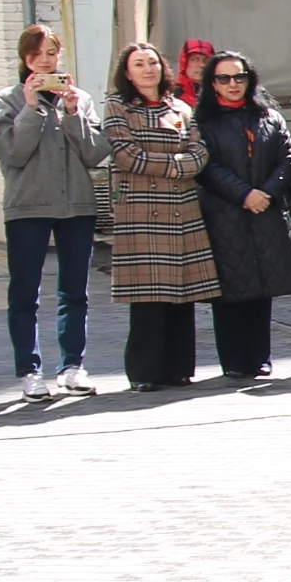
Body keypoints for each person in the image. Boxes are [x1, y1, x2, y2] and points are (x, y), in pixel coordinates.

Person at [0, 25, 109, 396]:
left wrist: (72, 114)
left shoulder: (78, 98)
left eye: (51, 54)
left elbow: (95, 152)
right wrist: (32, 108)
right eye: (37, 55)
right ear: (25, 59)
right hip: (27, 206)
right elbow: (13, 152)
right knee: (24, 291)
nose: (45, 61)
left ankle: (72, 365)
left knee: (75, 291)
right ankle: (28, 370)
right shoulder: (9, 99)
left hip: (76, 206)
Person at [101, 44, 213, 387]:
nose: (147, 69)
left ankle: (178, 368)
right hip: (140, 210)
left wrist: (174, 166)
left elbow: (199, 151)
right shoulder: (117, 106)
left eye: (152, 62)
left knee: (181, 294)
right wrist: (177, 167)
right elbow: (126, 155)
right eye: (139, 64)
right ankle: (144, 373)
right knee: (148, 296)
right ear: (127, 73)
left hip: (181, 209)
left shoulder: (179, 106)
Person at [190, 48, 291, 380]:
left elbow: (288, 156)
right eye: (224, 78)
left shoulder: (269, 115)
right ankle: (234, 360)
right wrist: (244, 193)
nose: (233, 84)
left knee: (261, 286)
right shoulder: (204, 122)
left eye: (239, 76)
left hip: (265, 209)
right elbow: (206, 166)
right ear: (213, 83)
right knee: (229, 289)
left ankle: (260, 356)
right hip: (225, 211)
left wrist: (267, 192)